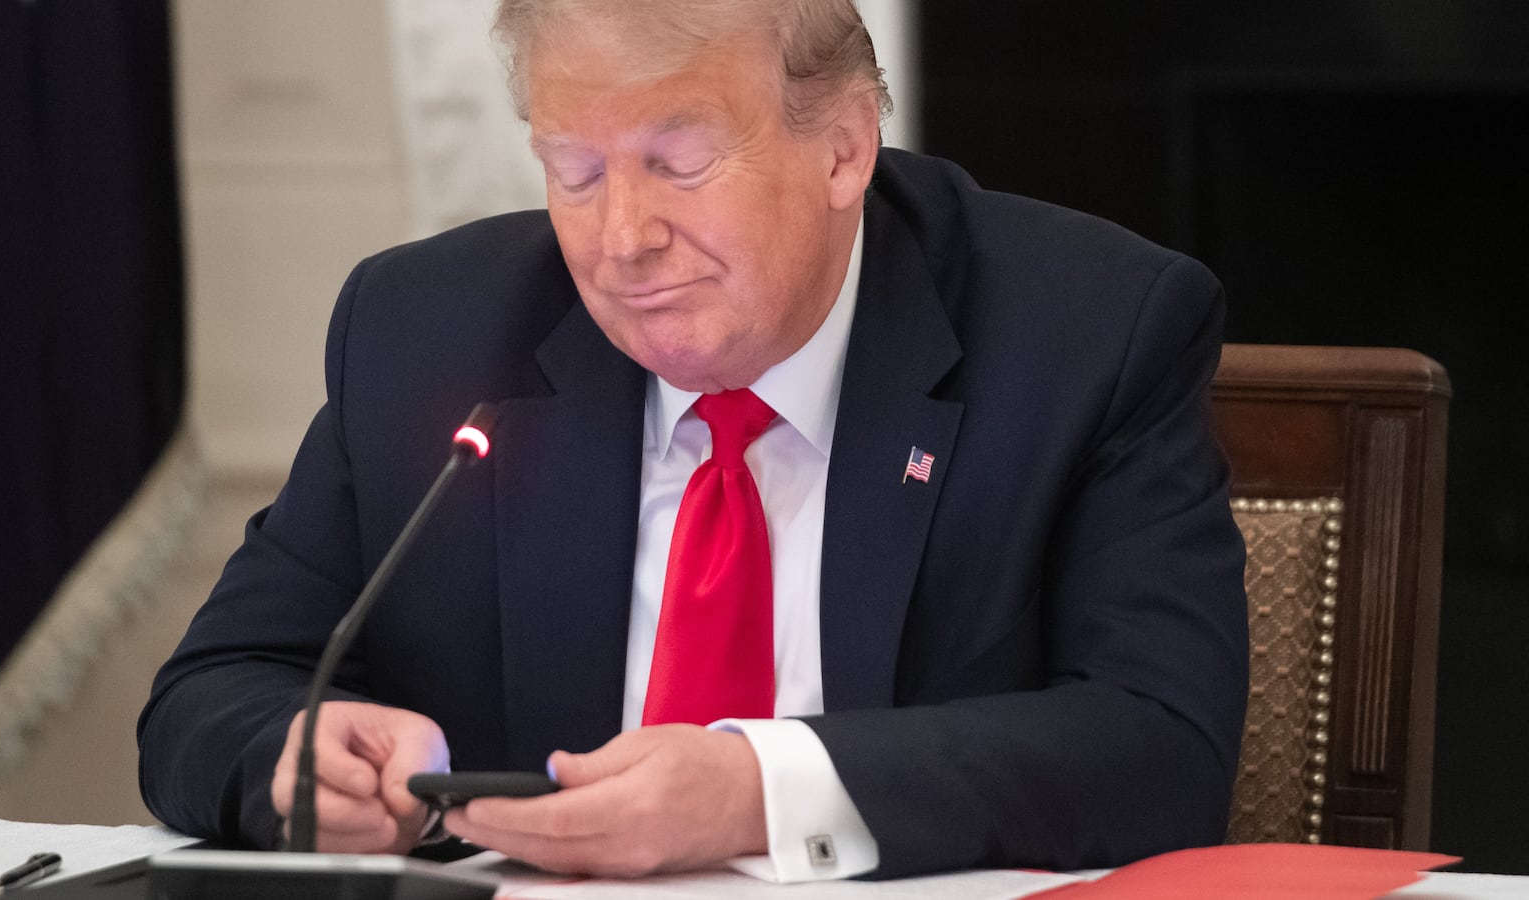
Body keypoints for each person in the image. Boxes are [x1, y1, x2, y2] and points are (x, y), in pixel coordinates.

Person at [138, 0, 1248, 882]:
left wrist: (758, 790)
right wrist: (296, 757)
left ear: (845, 150)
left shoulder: (1088, 333)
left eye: (677, 163)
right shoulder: (423, 335)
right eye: (574, 170)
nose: (621, 239)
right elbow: (213, 693)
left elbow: (1158, 747)